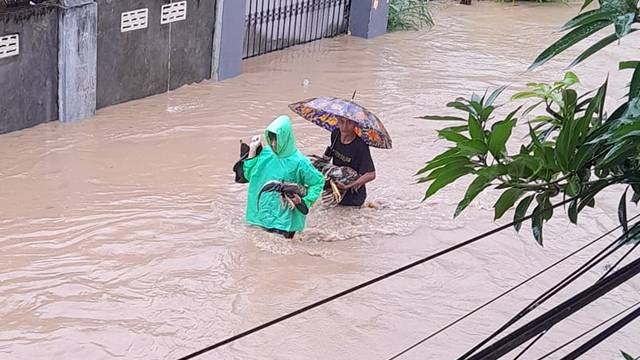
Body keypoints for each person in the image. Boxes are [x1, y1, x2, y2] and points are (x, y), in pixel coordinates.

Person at [239, 115, 325, 239]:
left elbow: (318, 182)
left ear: (286, 137)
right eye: (271, 139)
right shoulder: (265, 154)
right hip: (261, 215)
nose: (273, 143)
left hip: (285, 221)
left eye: (277, 139)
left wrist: (304, 201)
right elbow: (248, 175)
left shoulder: (300, 162)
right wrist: (252, 150)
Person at [325, 118, 376, 207]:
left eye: (349, 123)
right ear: (337, 121)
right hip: (334, 189)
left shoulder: (361, 145)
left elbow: (371, 174)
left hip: (354, 197)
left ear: (356, 124)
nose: (344, 127)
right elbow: (328, 157)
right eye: (341, 121)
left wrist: (348, 186)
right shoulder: (335, 134)